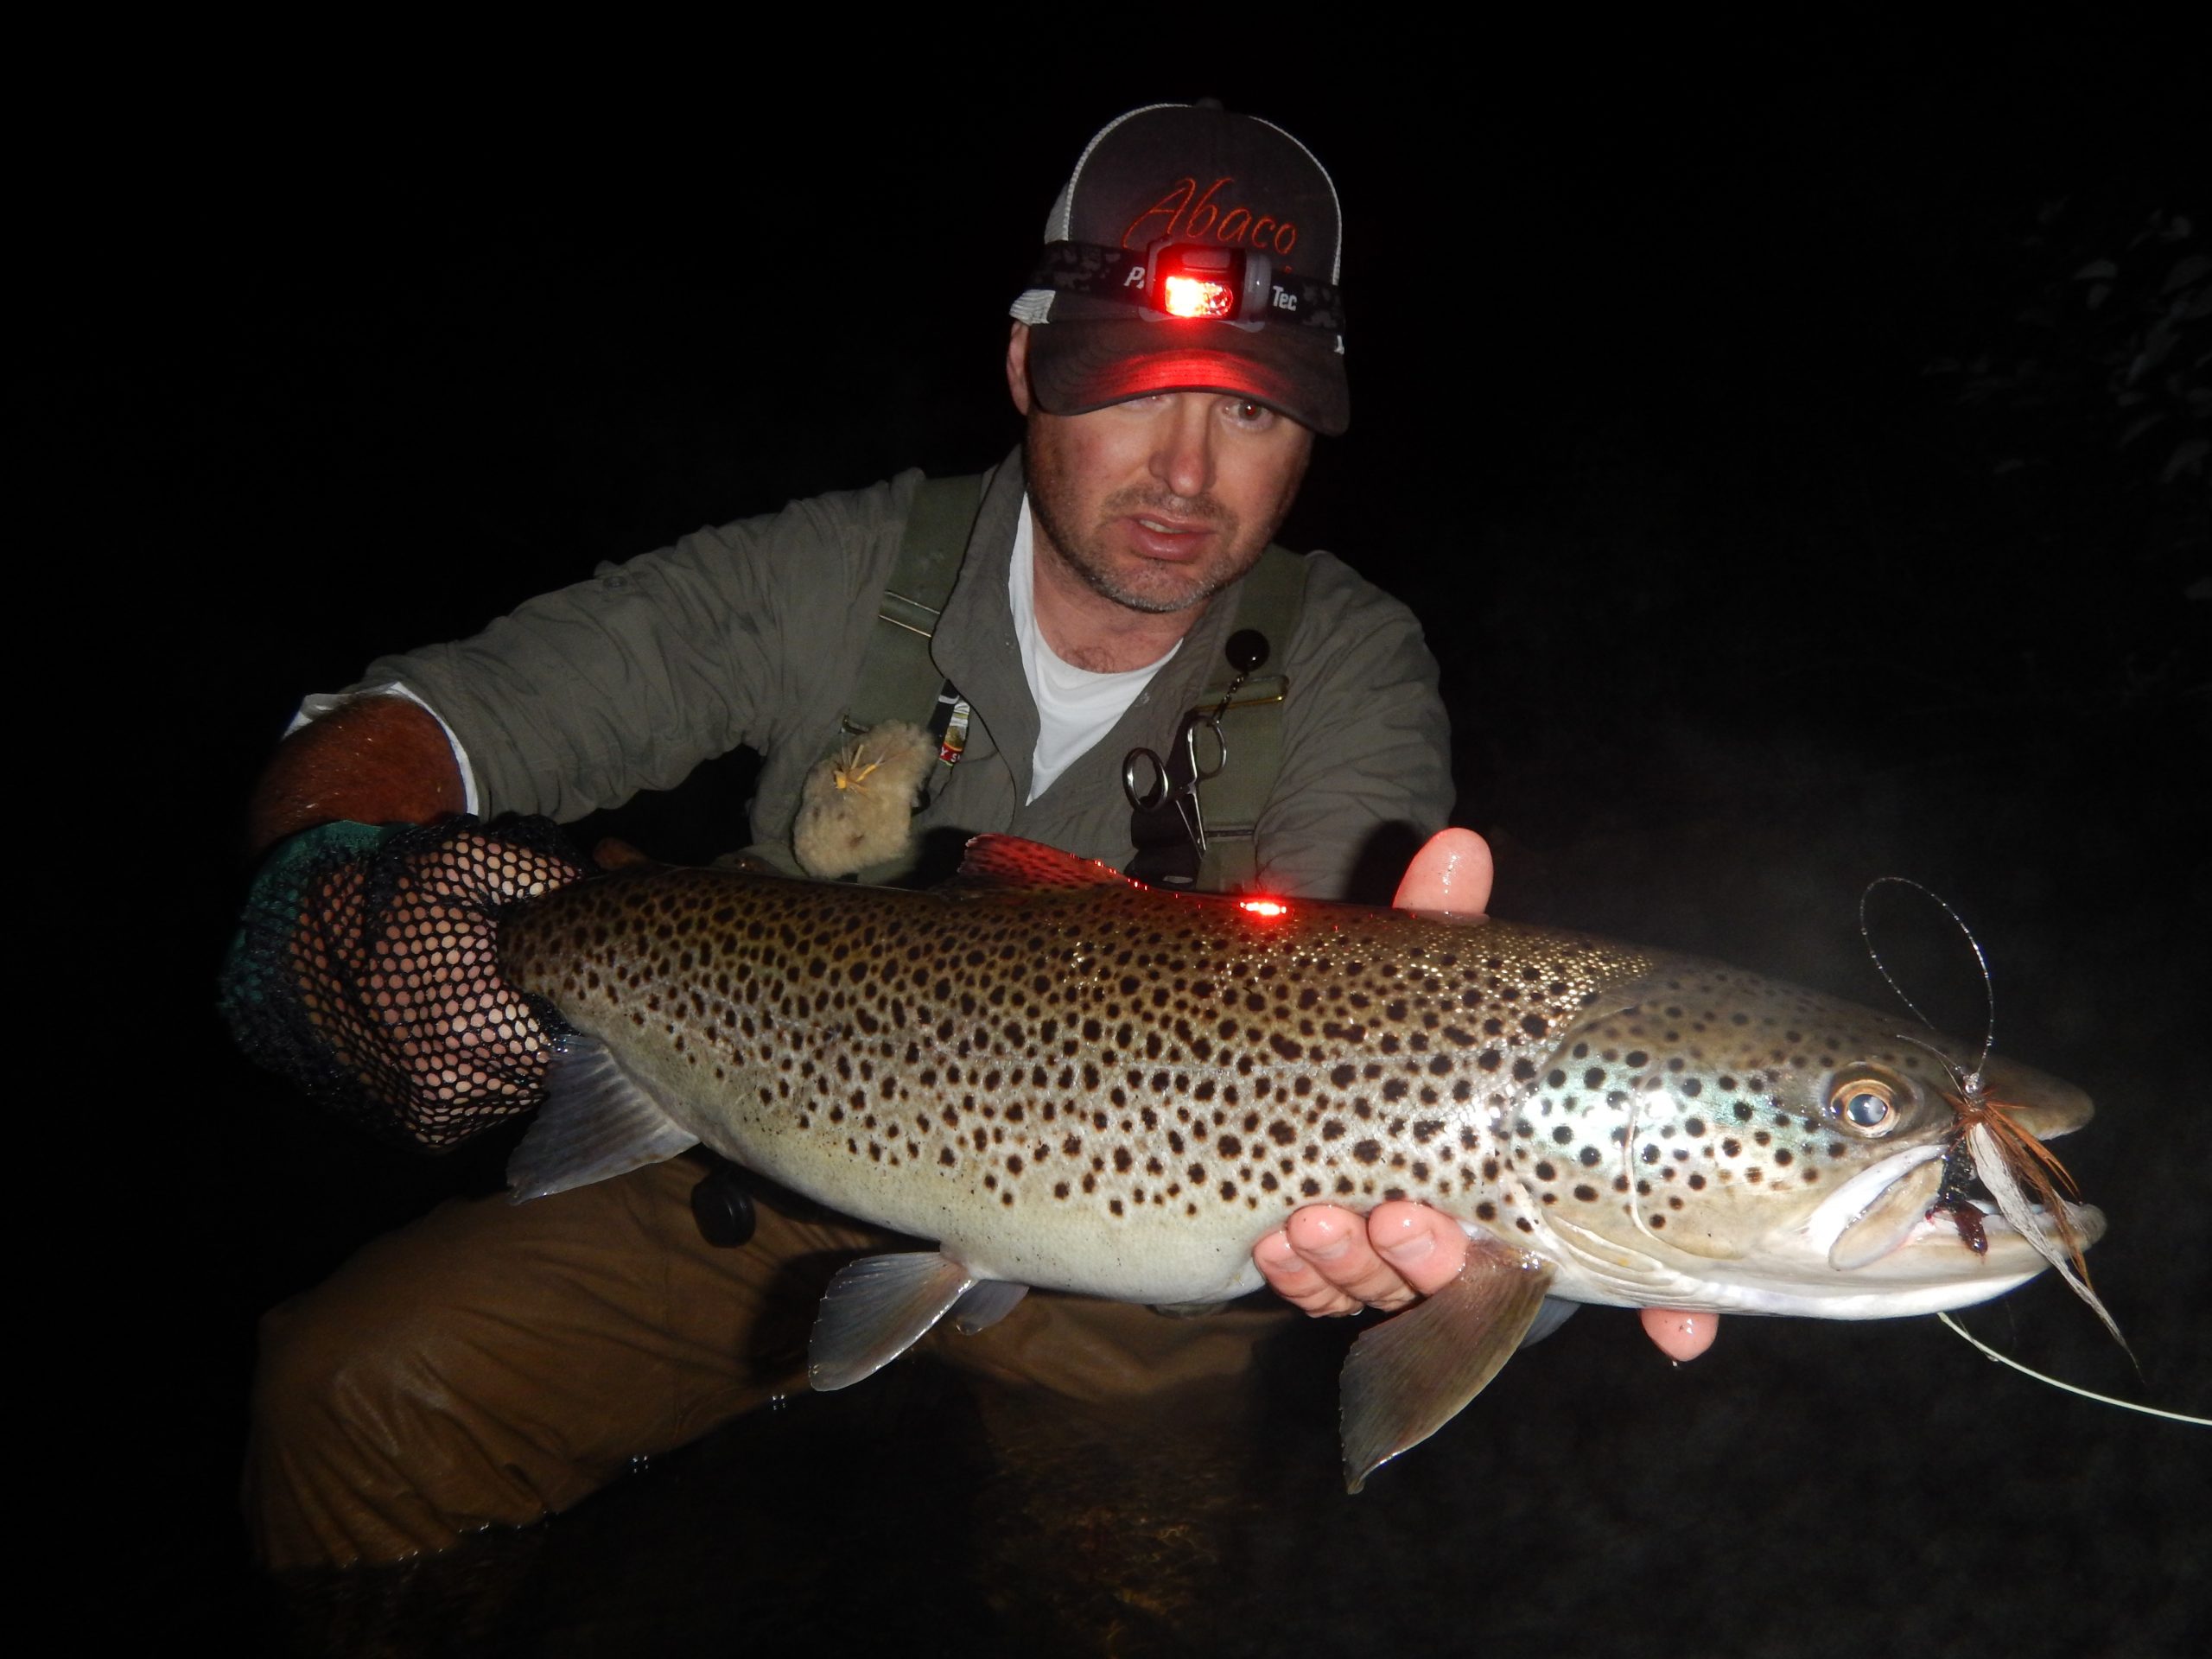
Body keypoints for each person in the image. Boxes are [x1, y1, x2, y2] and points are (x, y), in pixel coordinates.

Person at [234, 101, 1713, 1586]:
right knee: (352, 1397)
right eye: (1135, 390)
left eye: (1252, 412)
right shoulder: (834, 568)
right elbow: (405, 729)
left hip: (1140, 1266)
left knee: (1142, 1578)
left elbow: (1372, 1042)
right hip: (745, 1144)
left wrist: (1499, 1241)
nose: (1188, 475)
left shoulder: (1350, 664)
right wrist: (338, 877)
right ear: (1026, 367)